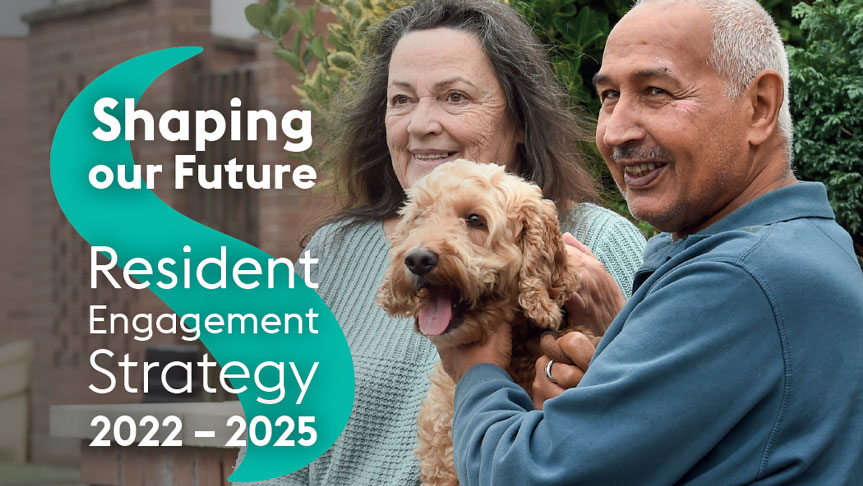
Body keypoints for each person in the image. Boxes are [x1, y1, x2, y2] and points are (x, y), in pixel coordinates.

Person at [436, 0, 863, 484]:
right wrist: (620, 339)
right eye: (609, 96)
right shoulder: (803, 243)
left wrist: (475, 367)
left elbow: (523, 474)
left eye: (656, 91)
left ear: (760, 106)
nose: (615, 131)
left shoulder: (740, 277)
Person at [240, 0, 647, 484]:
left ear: (518, 120)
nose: (419, 124)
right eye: (401, 100)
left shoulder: (596, 242)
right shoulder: (333, 250)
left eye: (454, 96)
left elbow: (643, 430)